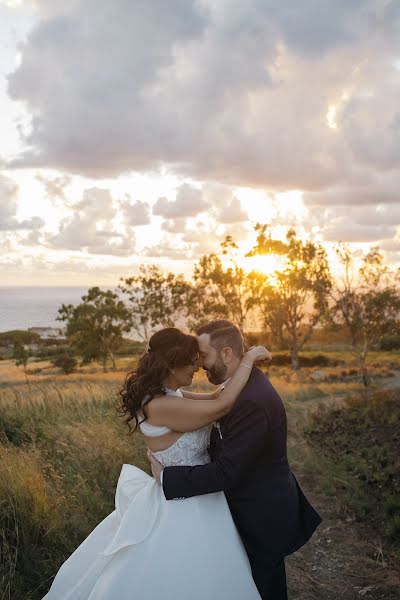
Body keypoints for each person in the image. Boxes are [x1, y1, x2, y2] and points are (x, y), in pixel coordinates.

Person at [42, 327, 270, 600]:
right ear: (173, 365)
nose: (198, 367)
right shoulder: (159, 405)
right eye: (192, 361)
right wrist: (249, 358)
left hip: (197, 491)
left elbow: (215, 396)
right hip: (183, 502)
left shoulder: (169, 394)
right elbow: (221, 406)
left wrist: (237, 370)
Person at [149, 320, 322, 600]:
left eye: (203, 355)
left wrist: (167, 478)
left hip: (260, 517)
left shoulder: (251, 401)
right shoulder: (238, 387)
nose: (198, 363)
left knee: (263, 590)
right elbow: (215, 404)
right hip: (237, 509)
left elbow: (227, 472)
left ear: (227, 354)